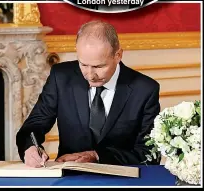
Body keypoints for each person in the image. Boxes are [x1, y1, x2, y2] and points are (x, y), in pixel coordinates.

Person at [16, 20, 161, 168]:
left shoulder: (145, 89)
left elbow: (150, 154)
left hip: (122, 180)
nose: (90, 75)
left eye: (99, 66)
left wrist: (97, 156)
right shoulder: (61, 77)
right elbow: (33, 127)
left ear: (118, 55)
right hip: (70, 177)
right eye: (83, 64)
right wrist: (30, 147)